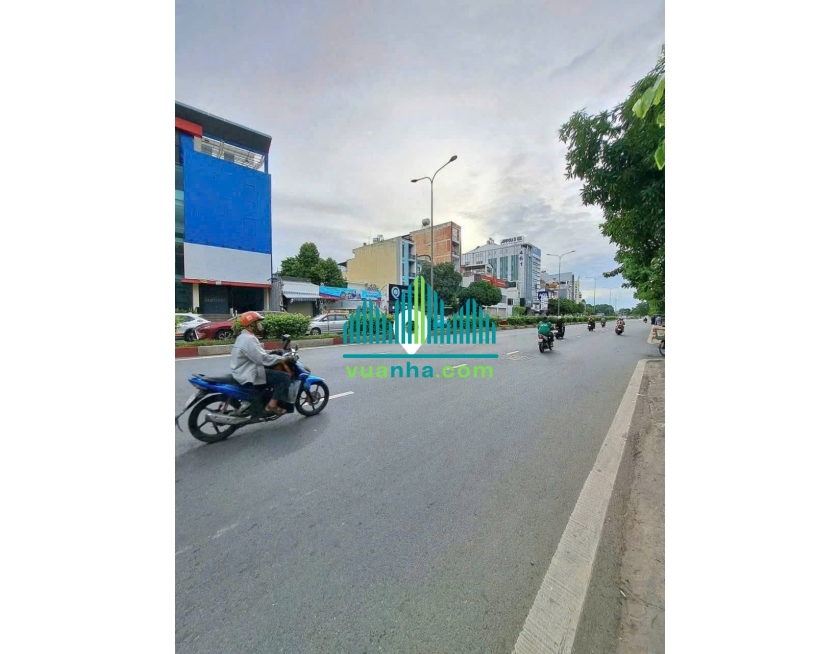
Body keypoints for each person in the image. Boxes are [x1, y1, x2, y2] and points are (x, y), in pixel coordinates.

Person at [230, 311, 292, 416]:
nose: (260, 325)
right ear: (252, 325)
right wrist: (282, 359)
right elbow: (262, 359)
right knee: (284, 377)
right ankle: (272, 405)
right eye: (257, 323)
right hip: (249, 373)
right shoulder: (249, 339)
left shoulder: (243, 337)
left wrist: (272, 353)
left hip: (242, 370)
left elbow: (257, 353)